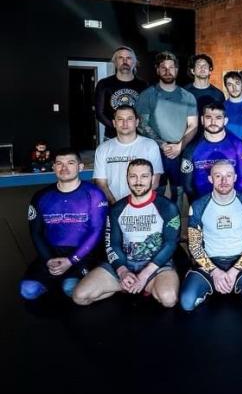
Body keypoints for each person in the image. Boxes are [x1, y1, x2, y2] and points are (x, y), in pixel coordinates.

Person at [72, 159, 180, 308]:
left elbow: (170, 244)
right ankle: (127, 285)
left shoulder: (167, 207)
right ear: (127, 178)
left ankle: (144, 286)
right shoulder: (117, 209)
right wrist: (122, 272)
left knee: (169, 299)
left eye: (144, 176)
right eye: (133, 176)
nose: (138, 181)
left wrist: (144, 275)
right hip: (124, 263)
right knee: (80, 296)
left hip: (155, 267)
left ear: (152, 178)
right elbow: (113, 244)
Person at [20, 148, 108, 300]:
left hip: (83, 254)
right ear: (53, 167)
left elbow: (97, 231)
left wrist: (71, 260)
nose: (64, 168)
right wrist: (48, 259)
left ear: (80, 167)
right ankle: (54, 281)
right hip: (52, 253)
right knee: (28, 290)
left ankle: (64, 282)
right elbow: (36, 232)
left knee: (70, 288)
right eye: (59, 163)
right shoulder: (41, 196)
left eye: (70, 163)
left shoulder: (94, 194)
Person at [180, 160, 242, 311]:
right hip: (209, 263)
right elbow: (194, 245)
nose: (224, 181)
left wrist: (233, 272)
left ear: (235, 178)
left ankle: (233, 284)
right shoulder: (198, 205)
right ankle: (214, 284)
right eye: (218, 176)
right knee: (187, 302)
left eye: (228, 175)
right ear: (210, 179)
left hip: (240, 263)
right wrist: (215, 272)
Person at [135, 51, 198, 199]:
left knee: (181, 191)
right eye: (163, 67)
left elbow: (193, 125)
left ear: (177, 70)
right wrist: (163, 145)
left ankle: (177, 214)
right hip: (155, 151)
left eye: (171, 67)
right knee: (156, 190)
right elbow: (142, 125)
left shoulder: (188, 97)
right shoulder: (147, 95)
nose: (167, 71)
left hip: (180, 150)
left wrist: (180, 146)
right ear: (157, 70)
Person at [93, 105, 163, 204]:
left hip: (142, 205)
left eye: (129, 119)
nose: (125, 123)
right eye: (120, 119)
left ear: (137, 122)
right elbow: (101, 183)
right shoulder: (103, 149)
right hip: (114, 205)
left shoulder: (150, 145)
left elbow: (154, 181)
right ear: (114, 123)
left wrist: (136, 204)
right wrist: (116, 205)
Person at [181, 102, 242, 201]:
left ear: (225, 121)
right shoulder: (191, 148)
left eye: (218, 118)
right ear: (202, 120)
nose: (213, 122)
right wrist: (201, 203)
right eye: (208, 117)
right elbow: (187, 186)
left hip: (232, 201)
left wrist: (231, 201)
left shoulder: (238, 145)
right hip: (201, 201)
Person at [95, 46, 147, 140]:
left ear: (134, 62)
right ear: (115, 62)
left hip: (138, 137)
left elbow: (147, 113)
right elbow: (99, 114)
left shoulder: (143, 85)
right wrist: (118, 128)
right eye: (121, 58)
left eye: (128, 58)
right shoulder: (104, 84)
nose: (125, 61)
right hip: (112, 137)